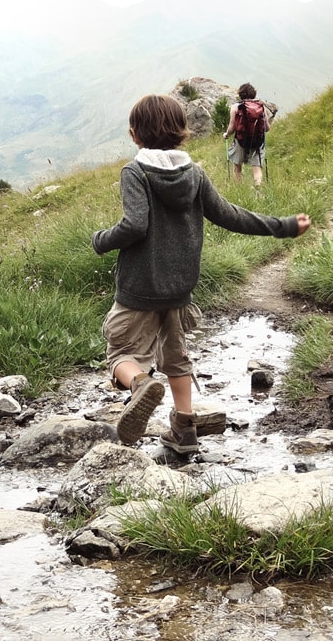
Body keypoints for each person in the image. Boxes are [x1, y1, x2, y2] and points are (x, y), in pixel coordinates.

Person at [92, 94, 311, 454]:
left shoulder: (135, 172)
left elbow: (134, 224)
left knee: (121, 355)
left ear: (135, 135)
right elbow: (230, 215)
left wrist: (102, 240)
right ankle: (184, 429)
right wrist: (283, 226)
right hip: (180, 288)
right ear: (183, 133)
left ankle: (141, 386)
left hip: (139, 288)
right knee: (176, 356)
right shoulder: (194, 173)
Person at [223, 82, 276, 186]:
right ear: (253, 94)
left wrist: (226, 135)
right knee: (257, 168)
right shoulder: (261, 107)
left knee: (237, 167)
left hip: (240, 140)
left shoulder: (235, 107)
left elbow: (232, 127)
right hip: (258, 141)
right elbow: (267, 128)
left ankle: (239, 190)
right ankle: (258, 190)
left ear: (240, 94)